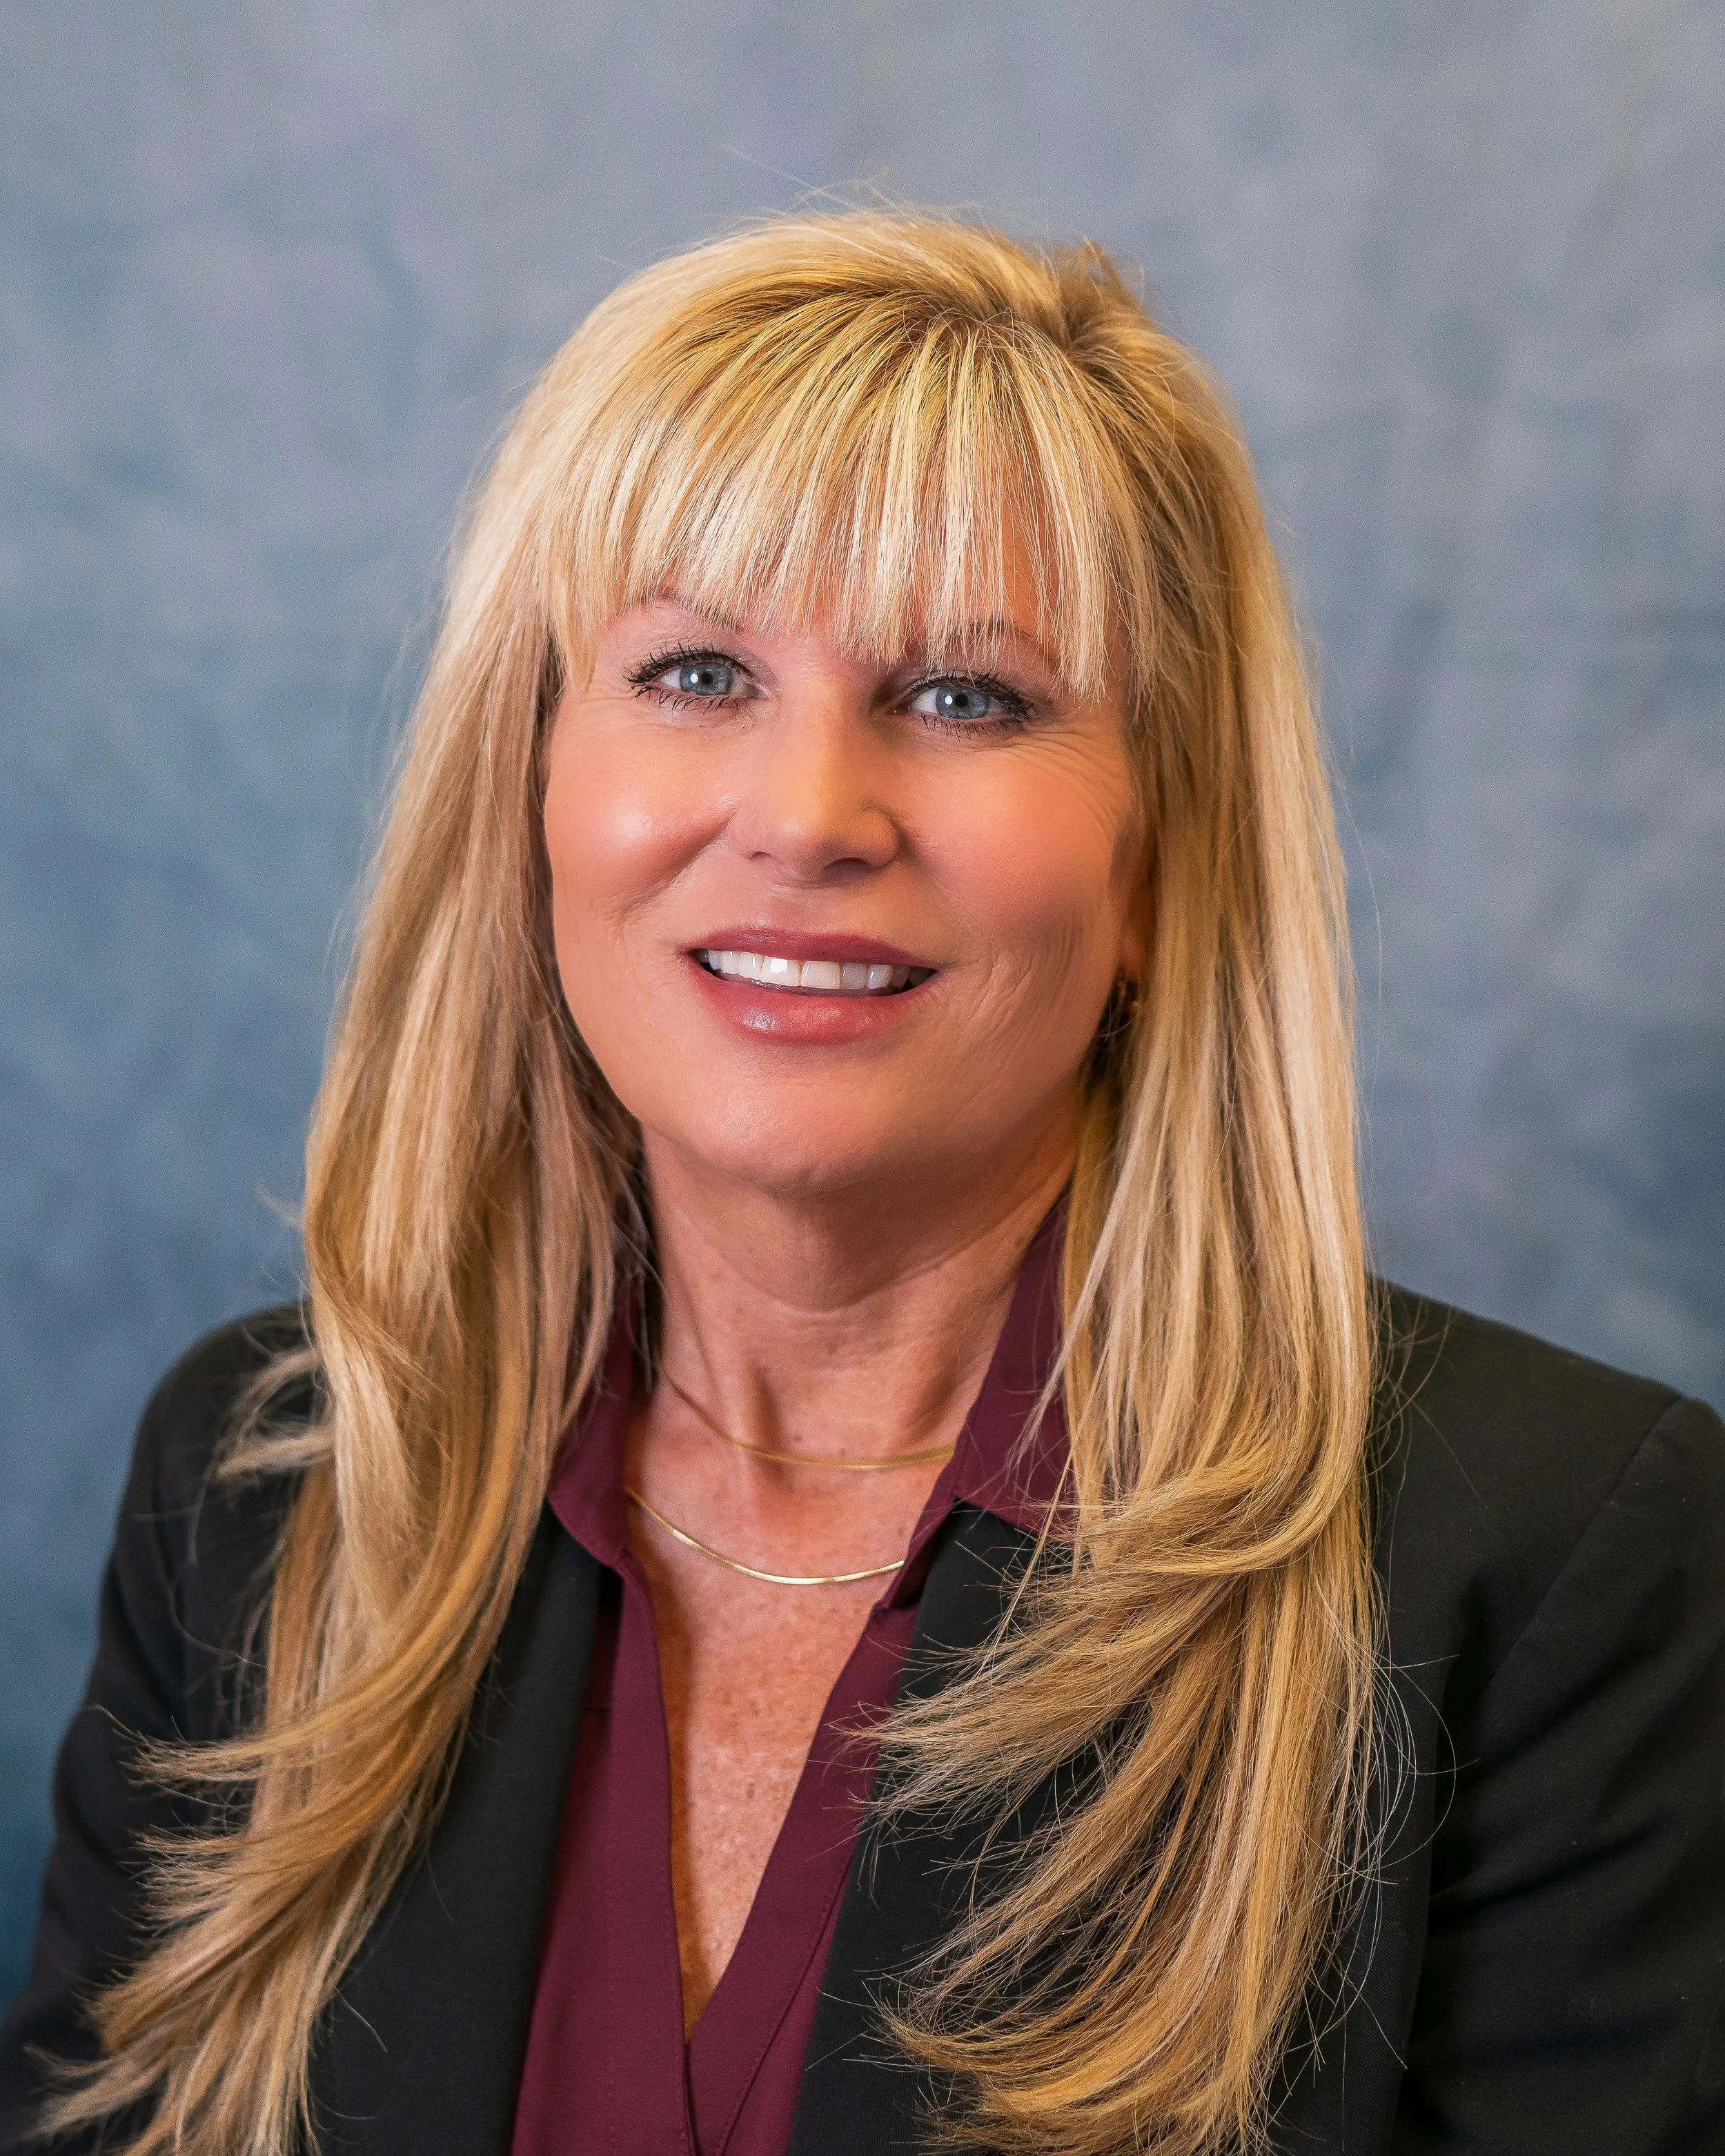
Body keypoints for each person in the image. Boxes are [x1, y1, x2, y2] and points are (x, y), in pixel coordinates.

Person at [2, 210, 1721, 2156]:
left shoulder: (1550, 1562)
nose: (808, 815)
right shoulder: (277, 1485)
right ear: (532, 787)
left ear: (1160, 854)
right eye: (695, 670)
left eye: (968, 695)